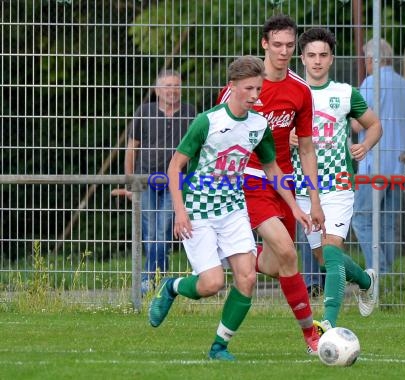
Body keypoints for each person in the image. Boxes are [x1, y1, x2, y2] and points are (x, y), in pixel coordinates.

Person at [148, 55, 312, 361]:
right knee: (212, 284)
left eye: (258, 88)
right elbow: (175, 167)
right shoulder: (207, 122)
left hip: (234, 210)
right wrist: (180, 211)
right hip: (199, 211)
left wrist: (295, 207)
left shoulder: (259, 125)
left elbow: (273, 170)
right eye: (249, 88)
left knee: (247, 278)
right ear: (232, 86)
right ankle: (172, 287)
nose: (255, 95)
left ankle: (219, 347)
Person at [216, 14, 326, 354]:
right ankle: (311, 335)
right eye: (276, 44)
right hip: (247, 181)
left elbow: (306, 147)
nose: (283, 51)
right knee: (289, 250)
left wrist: (314, 198)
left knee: (282, 263)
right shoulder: (244, 86)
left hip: (283, 183)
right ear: (264, 44)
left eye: (290, 46)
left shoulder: (300, 90)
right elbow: (216, 135)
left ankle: (246, 256)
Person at [291, 27, 382, 329]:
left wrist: (364, 146)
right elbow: (267, 134)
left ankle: (326, 324)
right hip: (305, 187)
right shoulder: (292, 93)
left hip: (339, 184)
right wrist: (285, 136)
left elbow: (374, 125)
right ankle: (365, 281)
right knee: (322, 258)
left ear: (331, 59)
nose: (317, 61)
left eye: (323, 55)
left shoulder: (344, 94)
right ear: (301, 58)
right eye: (312, 55)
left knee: (331, 251)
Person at [352, 39, 405, 273]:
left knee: (361, 218)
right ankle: (389, 280)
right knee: (388, 224)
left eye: (366, 60)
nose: (365, 64)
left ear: (373, 59)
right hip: (399, 167)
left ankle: (379, 271)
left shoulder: (370, 84)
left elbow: (355, 124)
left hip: (373, 166)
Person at [123, 69, 196, 294]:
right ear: (157, 90)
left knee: (163, 230)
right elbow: (131, 148)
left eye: (176, 86)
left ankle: (153, 281)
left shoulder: (190, 113)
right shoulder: (144, 112)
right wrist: (130, 182)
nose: (172, 91)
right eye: (167, 86)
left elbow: (196, 151)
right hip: (145, 181)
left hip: (174, 183)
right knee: (149, 232)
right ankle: (153, 280)